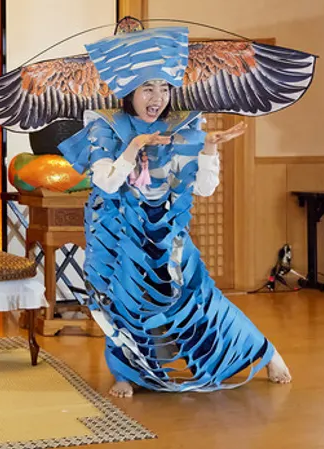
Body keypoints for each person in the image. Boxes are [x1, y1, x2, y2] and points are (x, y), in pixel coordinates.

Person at [56, 26, 293, 397]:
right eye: (148, 89)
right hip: (116, 229)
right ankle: (126, 373)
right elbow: (106, 183)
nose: (158, 98)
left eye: (164, 88)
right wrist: (134, 145)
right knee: (116, 302)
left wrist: (208, 148)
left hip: (165, 228)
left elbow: (203, 188)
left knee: (197, 297)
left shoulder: (181, 123)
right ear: (128, 90)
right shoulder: (105, 124)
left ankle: (264, 352)